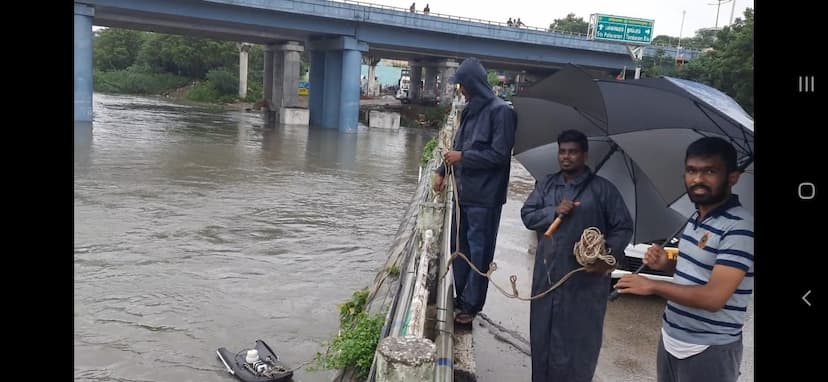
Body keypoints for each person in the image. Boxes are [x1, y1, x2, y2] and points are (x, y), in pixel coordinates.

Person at [615, 137, 753, 382]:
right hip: (671, 337)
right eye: (692, 170)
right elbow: (694, 274)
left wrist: (653, 285)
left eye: (710, 171)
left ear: (733, 177)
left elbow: (714, 298)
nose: (698, 179)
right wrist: (666, 265)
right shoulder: (695, 218)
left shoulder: (740, 228)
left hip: (709, 349)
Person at [520, 129, 633, 382]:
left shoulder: (604, 191)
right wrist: (553, 211)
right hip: (547, 281)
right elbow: (527, 215)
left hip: (585, 285)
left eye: (572, 152)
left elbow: (623, 227)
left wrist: (605, 256)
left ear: (584, 155)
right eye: (562, 152)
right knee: (542, 342)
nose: (566, 157)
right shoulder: (546, 184)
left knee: (578, 347)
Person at [433, 57, 517, 326]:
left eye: (462, 86)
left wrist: (463, 158)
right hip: (463, 194)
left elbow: (499, 156)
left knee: (479, 251)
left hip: (485, 199)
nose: (461, 91)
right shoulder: (469, 111)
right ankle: (461, 296)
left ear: (473, 84)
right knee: (459, 247)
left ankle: (472, 305)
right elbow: (456, 147)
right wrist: (441, 171)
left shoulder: (501, 112)